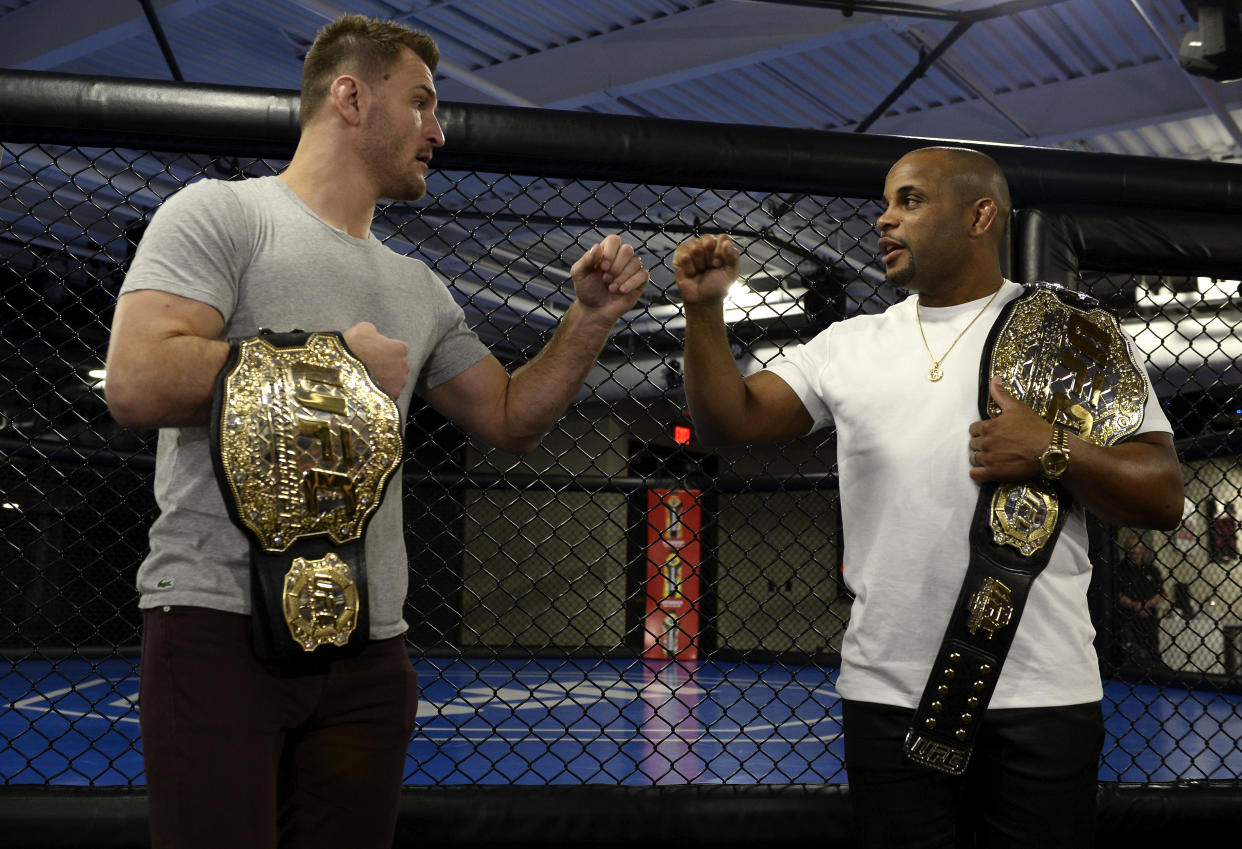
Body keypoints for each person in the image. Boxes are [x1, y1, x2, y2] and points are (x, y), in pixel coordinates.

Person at [104, 14, 648, 849]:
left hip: (368, 643)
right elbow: (138, 380)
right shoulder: (223, 214)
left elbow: (510, 418)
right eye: (422, 102)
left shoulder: (419, 285)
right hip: (218, 619)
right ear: (350, 97)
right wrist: (328, 364)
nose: (438, 130)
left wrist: (589, 318)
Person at [672, 146, 1183, 847]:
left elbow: (1164, 494)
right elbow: (727, 420)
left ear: (980, 215)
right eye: (884, 204)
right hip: (887, 691)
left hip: (1043, 691)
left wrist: (1055, 449)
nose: (884, 220)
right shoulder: (845, 345)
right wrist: (704, 312)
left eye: (909, 201)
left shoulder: (1071, 334)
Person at [1114, 530, 1165, 669]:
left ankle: (1154, 668)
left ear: (1141, 549)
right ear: (1126, 549)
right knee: (1130, 648)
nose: (1133, 551)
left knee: (1152, 646)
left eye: (1136, 547)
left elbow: (1160, 593)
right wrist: (1135, 606)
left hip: (1148, 617)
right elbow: (1116, 593)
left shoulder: (1151, 570)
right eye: (1130, 547)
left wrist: (1145, 606)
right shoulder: (1120, 569)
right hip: (1128, 617)